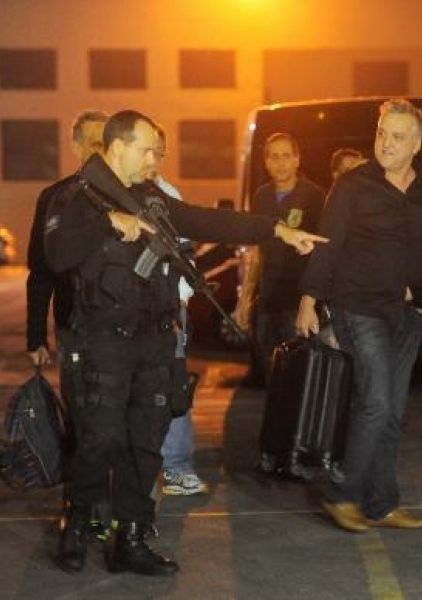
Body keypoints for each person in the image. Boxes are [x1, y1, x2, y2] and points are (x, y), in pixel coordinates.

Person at [45, 109, 326, 575]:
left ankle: (131, 538)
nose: (154, 159)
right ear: (118, 147)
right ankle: (76, 527)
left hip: (153, 343)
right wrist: (108, 222)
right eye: (146, 150)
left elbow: (206, 220)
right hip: (104, 344)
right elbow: (56, 254)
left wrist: (277, 230)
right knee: (101, 440)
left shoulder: (151, 197)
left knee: (145, 443)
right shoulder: (75, 196)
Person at [296, 99, 422, 533]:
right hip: (359, 307)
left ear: (417, 144)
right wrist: (308, 298)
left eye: (397, 136)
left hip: (406, 315)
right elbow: (328, 243)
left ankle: (382, 503)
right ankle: (342, 494)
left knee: (393, 412)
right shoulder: (354, 185)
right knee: (376, 401)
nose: (386, 143)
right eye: (382, 133)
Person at [144, 126, 208, 497]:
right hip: (128, 315)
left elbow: (186, 256)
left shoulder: (169, 195)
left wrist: (181, 300)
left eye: (159, 151)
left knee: (174, 386)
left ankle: (177, 468)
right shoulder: (112, 193)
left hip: (169, 309)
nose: (153, 158)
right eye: (147, 149)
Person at [26, 110, 108, 367]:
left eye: (106, 144)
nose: (102, 151)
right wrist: (36, 338)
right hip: (72, 329)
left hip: (127, 333)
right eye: (95, 143)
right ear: (76, 146)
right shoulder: (54, 199)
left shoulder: (133, 199)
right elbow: (40, 274)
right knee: (77, 393)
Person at [248, 133, 325, 391]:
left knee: (300, 380)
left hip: (299, 302)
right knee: (272, 378)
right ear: (266, 162)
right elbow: (255, 251)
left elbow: (323, 252)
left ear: (297, 160)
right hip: (268, 302)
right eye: (274, 157)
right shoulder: (261, 197)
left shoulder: (314, 196)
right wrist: (245, 299)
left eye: (286, 156)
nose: (280, 163)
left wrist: (312, 300)